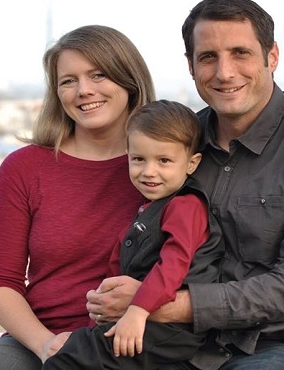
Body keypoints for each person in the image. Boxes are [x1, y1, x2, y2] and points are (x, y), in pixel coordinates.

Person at [86, 0, 284, 370]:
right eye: (208, 57)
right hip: (196, 344)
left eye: (240, 53)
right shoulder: (179, 144)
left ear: (272, 56)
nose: (224, 72)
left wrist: (153, 304)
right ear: (191, 66)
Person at [0, 24, 156, 369]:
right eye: (68, 81)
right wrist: (46, 344)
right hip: (39, 337)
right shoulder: (24, 168)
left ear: (129, 80)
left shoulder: (164, 168)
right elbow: (0, 281)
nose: (83, 90)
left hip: (135, 338)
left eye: (98, 75)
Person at [44, 99, 223, 369]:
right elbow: (119, 267)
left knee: (69, 360)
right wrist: (101, 308)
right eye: (139, 159)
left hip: (171, 330)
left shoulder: (186, 206)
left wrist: (138, 311)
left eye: (164, 161)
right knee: (76, 348)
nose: (149, 172)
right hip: (141, 320)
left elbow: (173, 265)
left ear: (191, 163)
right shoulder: (147, 209)